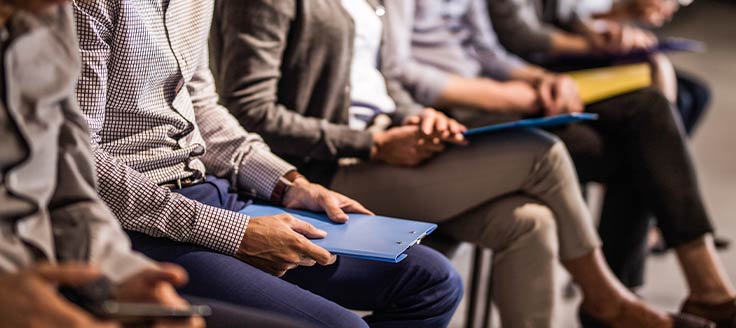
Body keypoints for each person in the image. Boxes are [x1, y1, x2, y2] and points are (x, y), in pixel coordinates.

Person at [210, 0, 715, 327]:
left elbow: (387, 85)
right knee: (544, 153)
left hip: (390, 142)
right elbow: (250, 109)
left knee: (529, 222)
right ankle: (606, 297)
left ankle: (616, 297)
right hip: (331, 167)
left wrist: (420, 118)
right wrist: (372, 144)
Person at [71, 0, 464, 327]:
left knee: (433, 281)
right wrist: (233, 233)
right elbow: (79, 160)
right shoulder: (89, 5)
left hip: (208, 190)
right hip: (134, 221)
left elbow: (204, 108)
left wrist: (288, 182)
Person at [383, 0, 736, 326]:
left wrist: (542, 79)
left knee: (648, 108)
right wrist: (506, 95)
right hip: (452, 113)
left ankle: (694, 284)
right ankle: (627, 299)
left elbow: (488, 50)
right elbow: (399, 69)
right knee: (637, 150)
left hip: (495, 91)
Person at [0, 1, 305, 327]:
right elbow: (89, 163)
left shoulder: (46, 16)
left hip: (195, 195)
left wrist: (125, 277)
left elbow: (71, 190)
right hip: (141, 211)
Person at [486, 0, 710, 134]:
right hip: (531, 59)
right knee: (654, 104)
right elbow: (519, 34)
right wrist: (593, 45)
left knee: (695, 93)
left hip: (556, 48)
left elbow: (571, 12)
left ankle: (649, 203)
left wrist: (609, 24)